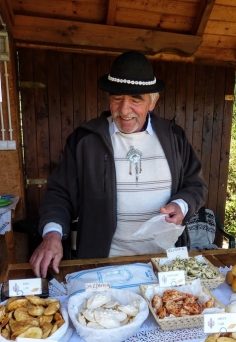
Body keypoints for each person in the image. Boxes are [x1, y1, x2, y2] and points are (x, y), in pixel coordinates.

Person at [30, 51, 208, 278]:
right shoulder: (86, 140)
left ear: (153, 102)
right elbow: (60, 193)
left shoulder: (174, 137)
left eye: (136, 100)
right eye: (117, 98)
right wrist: (52, 234)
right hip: (104, 263)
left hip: (165, 263)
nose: (124, 110)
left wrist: (182, 205)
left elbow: (195, 184)